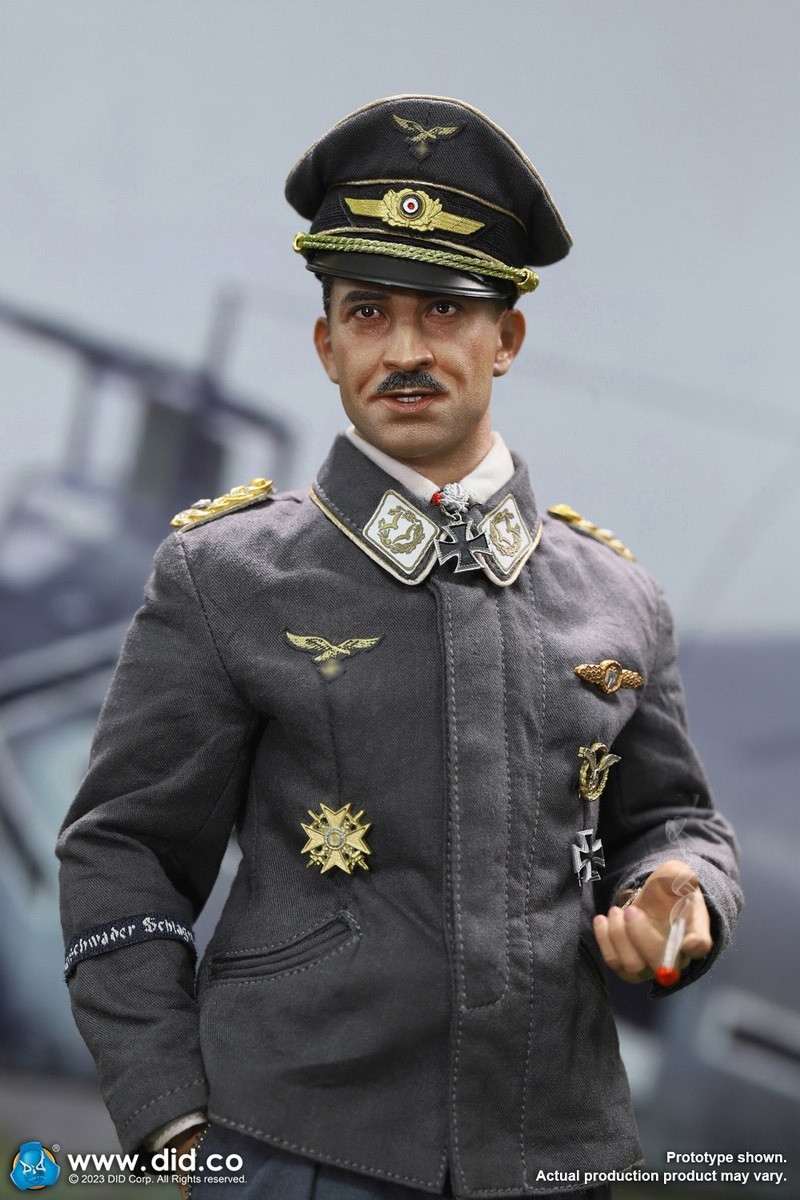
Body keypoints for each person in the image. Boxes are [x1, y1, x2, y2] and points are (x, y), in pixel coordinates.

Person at [58, 95, 741, 1200]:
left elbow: (673, 819)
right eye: (368, 313)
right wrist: (172, 1116)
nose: (406, 350)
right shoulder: (224, 577)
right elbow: (122, 848)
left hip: (556, 1153)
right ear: (326, 344)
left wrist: (679, 890)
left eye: (445, 310)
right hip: (294, 1153)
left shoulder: (617, 597)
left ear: (506, 338)